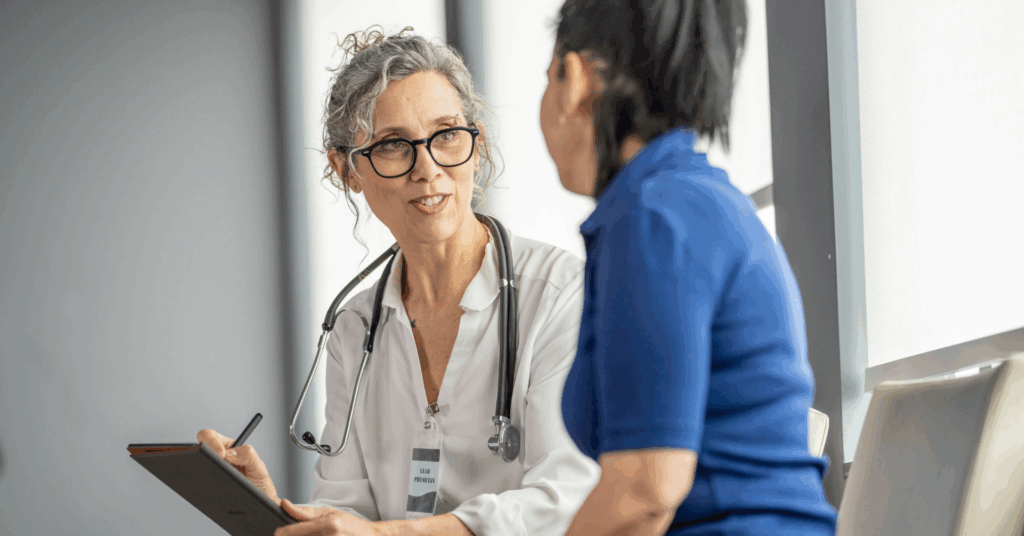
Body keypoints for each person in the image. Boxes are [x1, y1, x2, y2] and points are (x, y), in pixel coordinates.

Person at [198, 28, 599, 536]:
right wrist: (273, 513)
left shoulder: (560, 295)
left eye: (447, 134)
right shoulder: (354, 329)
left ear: (478, 144)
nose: (427, 169)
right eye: (392, 145)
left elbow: (564, 501)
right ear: (346, 168)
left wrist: (389, 535)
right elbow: (349, 514)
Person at [539, 1, 838, 534]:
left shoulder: (653, 216)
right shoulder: (688, 200)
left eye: (547, 77)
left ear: (576, 78)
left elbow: (645, 489)